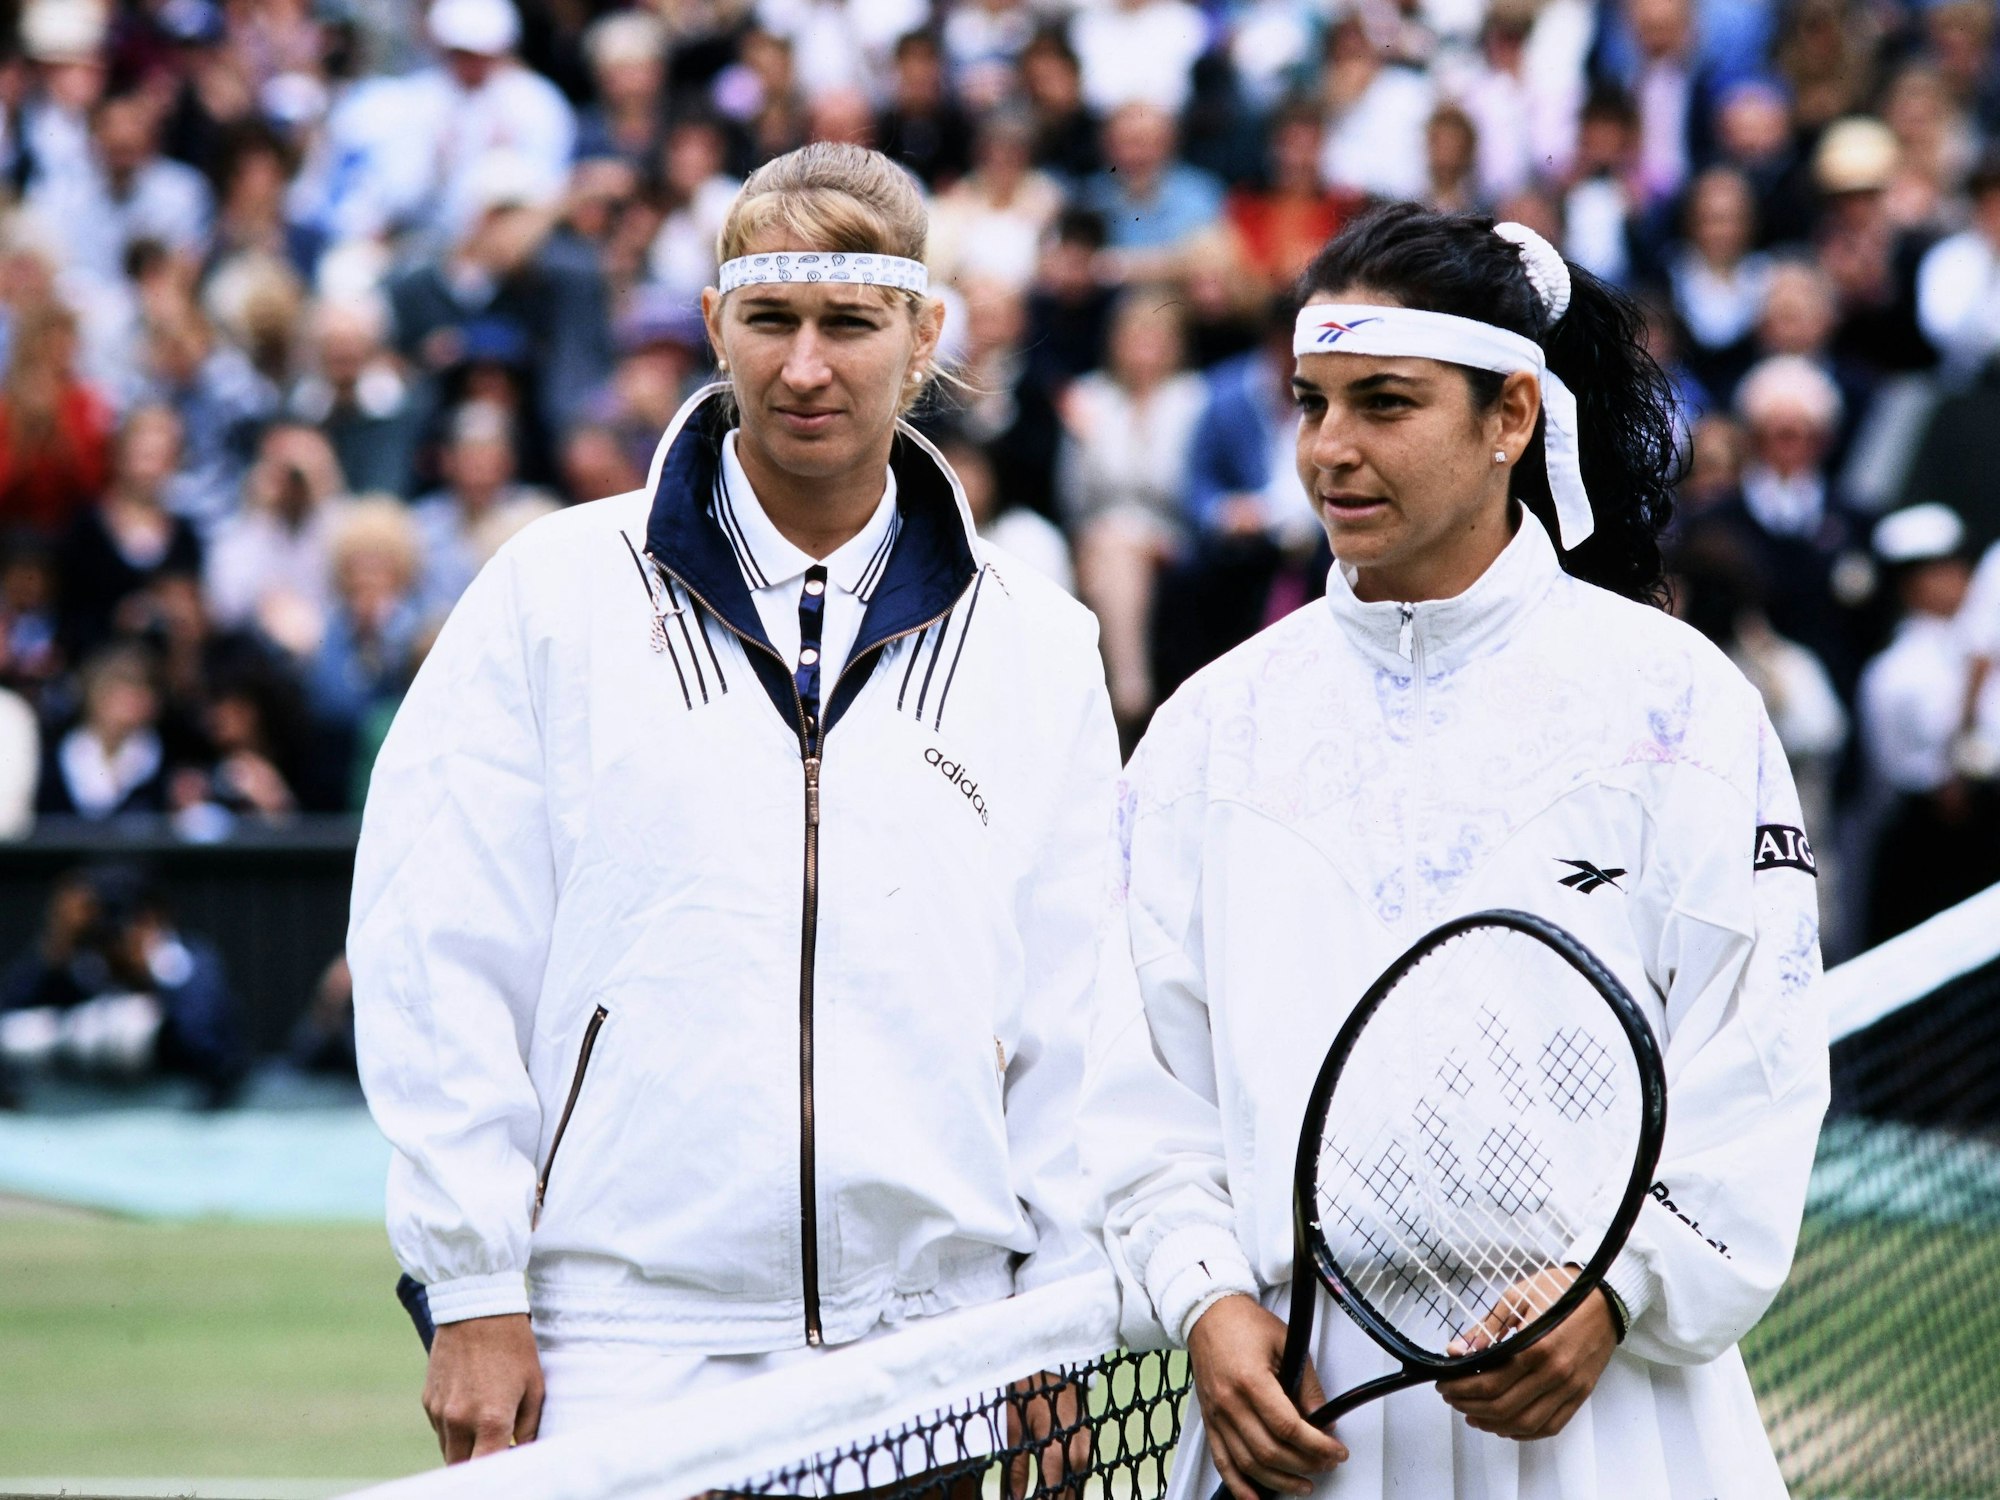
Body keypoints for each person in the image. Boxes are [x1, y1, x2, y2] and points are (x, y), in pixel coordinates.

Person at [351, 142, 1118, 1464]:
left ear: (925, 332)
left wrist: (1055, 1310)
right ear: (716, 323)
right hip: (619, 1347)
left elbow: (1080, 1006)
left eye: (848, 323)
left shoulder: (1039, 643)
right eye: (769, 319)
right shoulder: (551, 592)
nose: (804, 366)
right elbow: (437, 947)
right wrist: (472, 1286)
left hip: (931, 1349)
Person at [1086, 204, 1830, 1500]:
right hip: (1304, 1423)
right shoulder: (1212, 726)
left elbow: (1759, 1045)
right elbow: (1142, 1080)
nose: (1332, 449)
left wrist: (1622, 1286)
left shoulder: (1678, 704)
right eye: (1312, 403)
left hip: (1609, 1422)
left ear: (1511, 419)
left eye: (1385, 403)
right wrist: (1207, 1300)